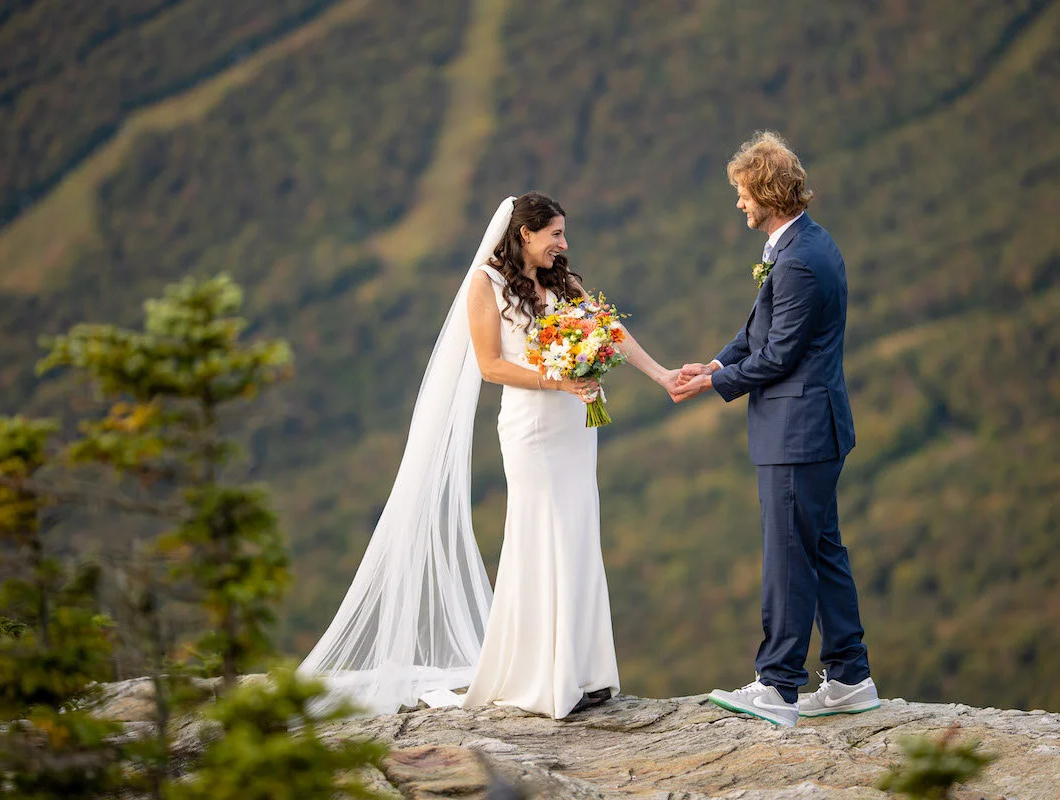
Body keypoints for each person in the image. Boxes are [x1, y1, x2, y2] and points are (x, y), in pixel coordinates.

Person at [300, 192, 678, 719]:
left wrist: (662, 376)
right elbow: (490, 365)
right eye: (556, 235)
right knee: (540, 536)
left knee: (578, 534)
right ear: (526, 233)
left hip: (575, 425)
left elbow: (607, 330)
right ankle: (543, 678)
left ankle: (586, 672)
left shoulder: (564, 280)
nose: (563, 244)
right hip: (533, 428)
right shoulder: (487, 283)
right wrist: (558, 380)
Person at [671, 132, 878, 727]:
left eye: (741, 192)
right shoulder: (804, 245)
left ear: (765, 191)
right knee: (821, 550)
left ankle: (779, 686)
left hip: (799, 431)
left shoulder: (799, 260)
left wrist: (718, 384)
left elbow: (780, 355)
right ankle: (848, 677)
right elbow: (761, 330)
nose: (738, 203)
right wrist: (714, 363)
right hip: (813, 428)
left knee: (788, 556)